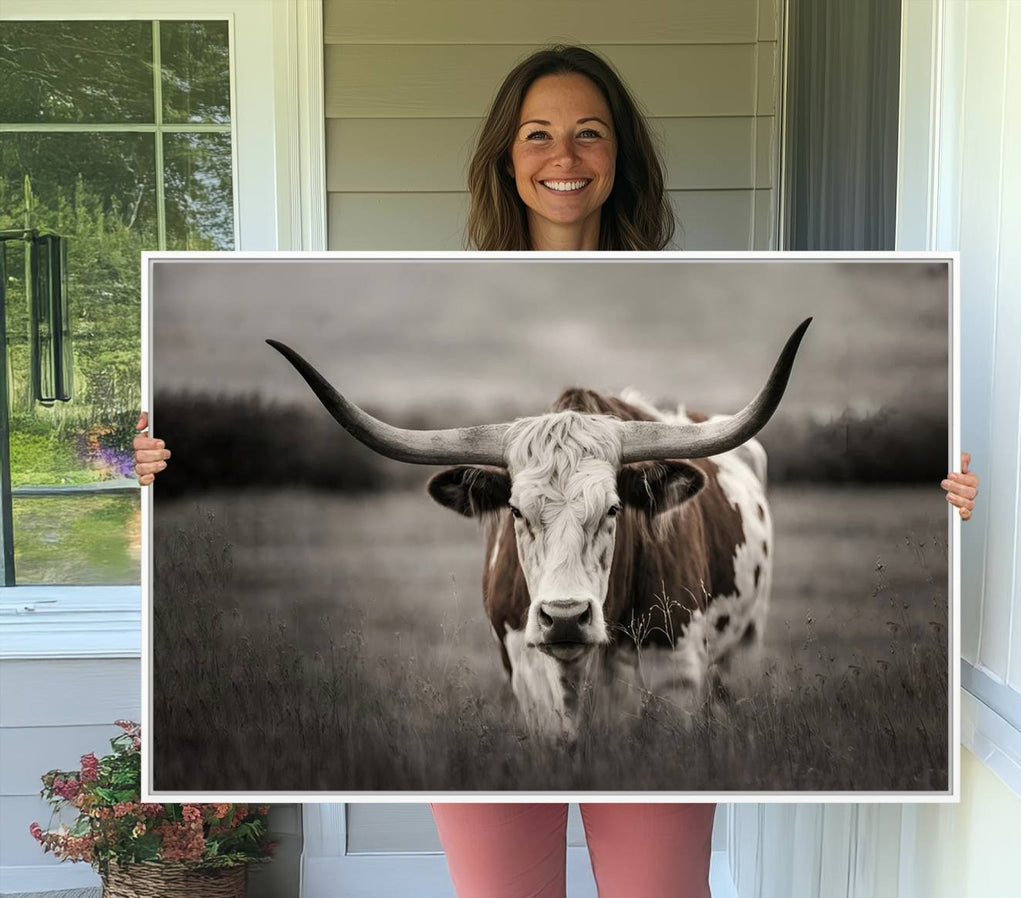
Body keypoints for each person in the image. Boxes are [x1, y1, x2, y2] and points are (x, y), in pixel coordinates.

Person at [133, 45, 978, 898]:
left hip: (660, 599)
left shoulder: (701, 283)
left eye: (590, 135)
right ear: (507, 157)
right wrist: (158, 463)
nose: (563, 158)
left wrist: (947, 499)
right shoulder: (440, 288)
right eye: (537, 135)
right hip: (544, 569)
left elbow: (733, 432)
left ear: (620, 158)